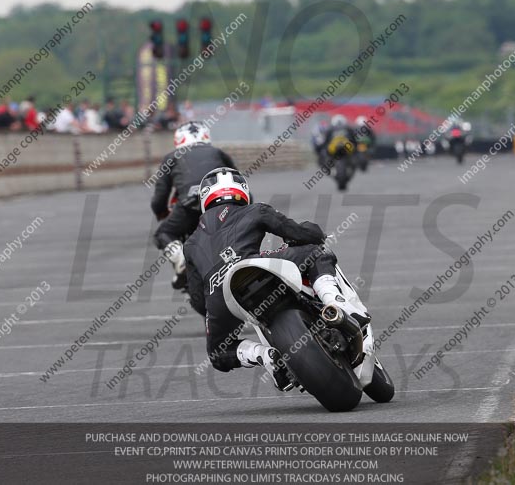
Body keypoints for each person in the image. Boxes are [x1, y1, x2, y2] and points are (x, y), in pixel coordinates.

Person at [183, 167, 368, 390]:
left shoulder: (190, 244)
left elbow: (196, 298)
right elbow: (298, 233)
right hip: (253, 268)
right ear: (242, 191)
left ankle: (263, 355)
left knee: (219, 353)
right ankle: (337, 305)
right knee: (316, 252)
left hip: (219, 296)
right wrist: (314, 233)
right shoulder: (255, 210)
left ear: (205, 197)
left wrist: (214, 314)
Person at [151, 121, 237, 290]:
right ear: (205, 136)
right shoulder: (218, 153)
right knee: (245, 226)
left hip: (190, 204)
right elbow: (239, 182)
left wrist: (161, 212)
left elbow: (160, 197)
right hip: (223, 204)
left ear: (179, 139)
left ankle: (180, 259)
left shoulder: (171, 157)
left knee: (163, 233)